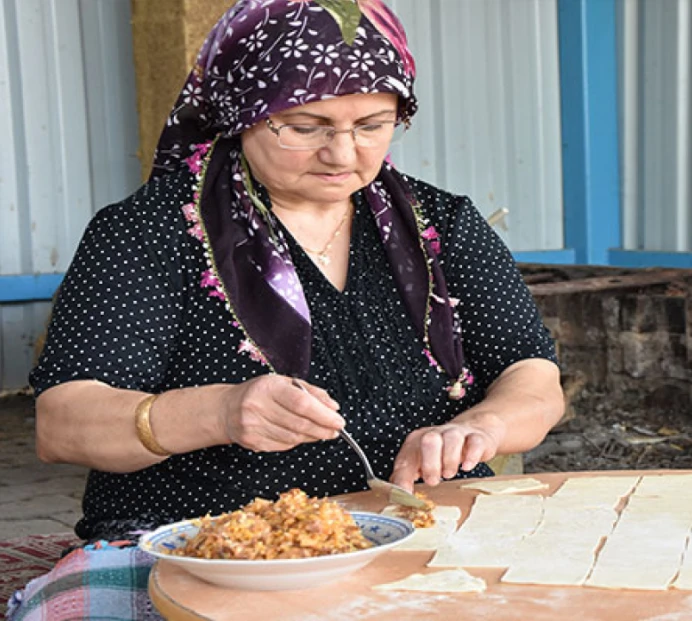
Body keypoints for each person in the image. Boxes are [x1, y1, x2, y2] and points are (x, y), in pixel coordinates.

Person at [11, 2, 561, 614]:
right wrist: (220, 411)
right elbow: (63, 424)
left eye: (374, 124)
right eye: (305, 126)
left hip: (421, 535)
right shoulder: (148, 232)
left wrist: (480, 428)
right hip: (198, 545)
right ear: (241, 113)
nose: (343, 153)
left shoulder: (443, 226)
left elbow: (531, 376)